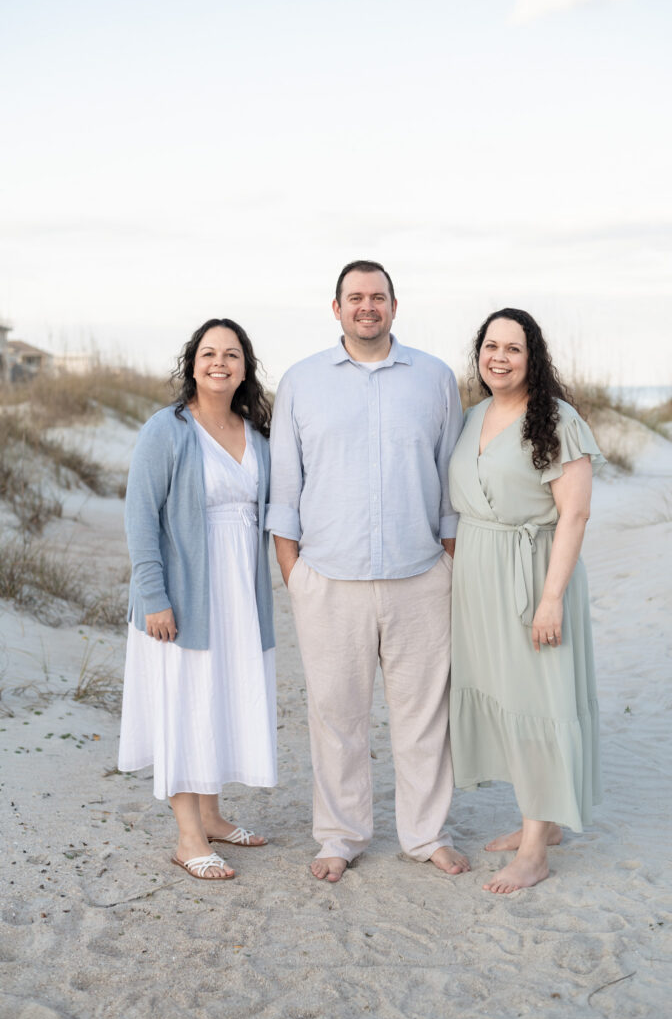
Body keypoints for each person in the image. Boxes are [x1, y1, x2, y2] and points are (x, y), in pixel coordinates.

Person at [266, 260, 469, 883]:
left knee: (423, 716)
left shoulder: (435, 379)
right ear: (337, 308)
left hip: (420, 577)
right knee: (336, 716)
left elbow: (451, 487)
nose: (366, 307)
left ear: (393, 305)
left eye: (377, 297)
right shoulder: (300, 382)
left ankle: (426, 834)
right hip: (328, 579)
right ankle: (341, 835)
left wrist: (448, 566)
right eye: (355, 298)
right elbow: (285, 488)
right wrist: (294, 573)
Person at [448, 308, 604, 894]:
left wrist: (551, 599)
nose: (500, 357)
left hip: (535, 570)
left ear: (532, 358)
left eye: (514, 348)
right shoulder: (471, 418)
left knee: (540, 699)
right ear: (479, 353)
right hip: (479, 574)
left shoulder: (558, 420)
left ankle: (537, 849)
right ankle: (539, 819)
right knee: (509, 697)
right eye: (492, 346)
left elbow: (576, 514)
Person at [118, 318, 276, 881]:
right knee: (185, 706)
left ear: (244, 367)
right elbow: (140, 517)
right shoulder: (167, 429)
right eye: (209, 353)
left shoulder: (256, 433)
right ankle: (188, 838)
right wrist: (153, 595)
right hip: (182, 596)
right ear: (193, 362)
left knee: (219, 699)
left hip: (238, 596)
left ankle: (211, 815)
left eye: (231, 355)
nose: (219, 363)